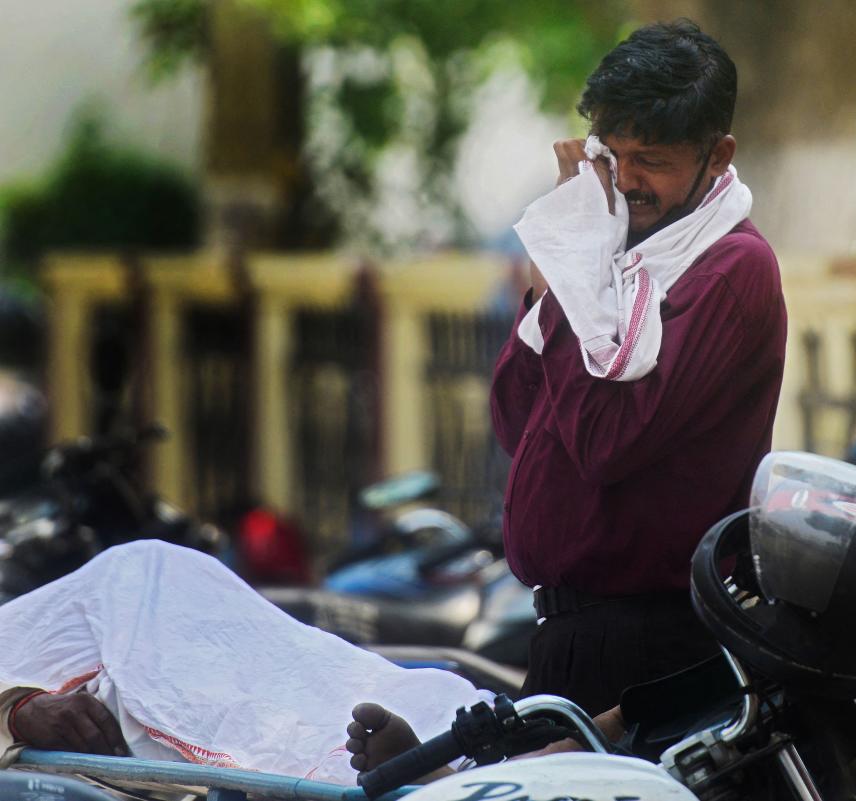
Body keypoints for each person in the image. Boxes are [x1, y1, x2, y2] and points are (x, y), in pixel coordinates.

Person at [489, 19, 786, 717]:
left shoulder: (729, 268)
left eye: (649, 159)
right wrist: (559, 270)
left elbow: (604, 442)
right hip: (570, 634)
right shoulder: (615, 256)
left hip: (646, 643)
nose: (624, 182)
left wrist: (575, 267)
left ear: (718, 156)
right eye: (611, 155)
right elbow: (514, 419)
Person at [0, 540, 490, 784]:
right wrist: (17, 710)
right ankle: (433, 757)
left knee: (296, 664)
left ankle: (439, 741)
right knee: (211, 699)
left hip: (136, 584)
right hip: (68, 672)